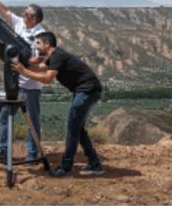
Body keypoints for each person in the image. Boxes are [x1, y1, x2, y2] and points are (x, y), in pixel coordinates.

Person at [11, 31, 104, 177]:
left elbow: (47, 79)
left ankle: (66, 169)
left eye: (39, 43)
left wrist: (24, 71)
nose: (36, 46)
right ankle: (95, 164)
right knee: (78, 130)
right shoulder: (54, 57)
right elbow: (38, 67)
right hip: (88, 91)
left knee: (73, 129)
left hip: (87, 91)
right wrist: (23, 63)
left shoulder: (57, 56)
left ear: (47, 44)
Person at [0, 0, 46, 162]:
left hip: (31, 84)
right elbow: (6, 12)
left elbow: (41, 60)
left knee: (31, 120)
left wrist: (27, 67)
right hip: (15, 82)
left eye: (28, 14)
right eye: (24, 13)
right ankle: (3, 151)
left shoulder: (41, 35)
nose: (24, 16)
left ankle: (33, 153)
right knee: (5, 116)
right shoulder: (20, 25)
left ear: (36, 18)